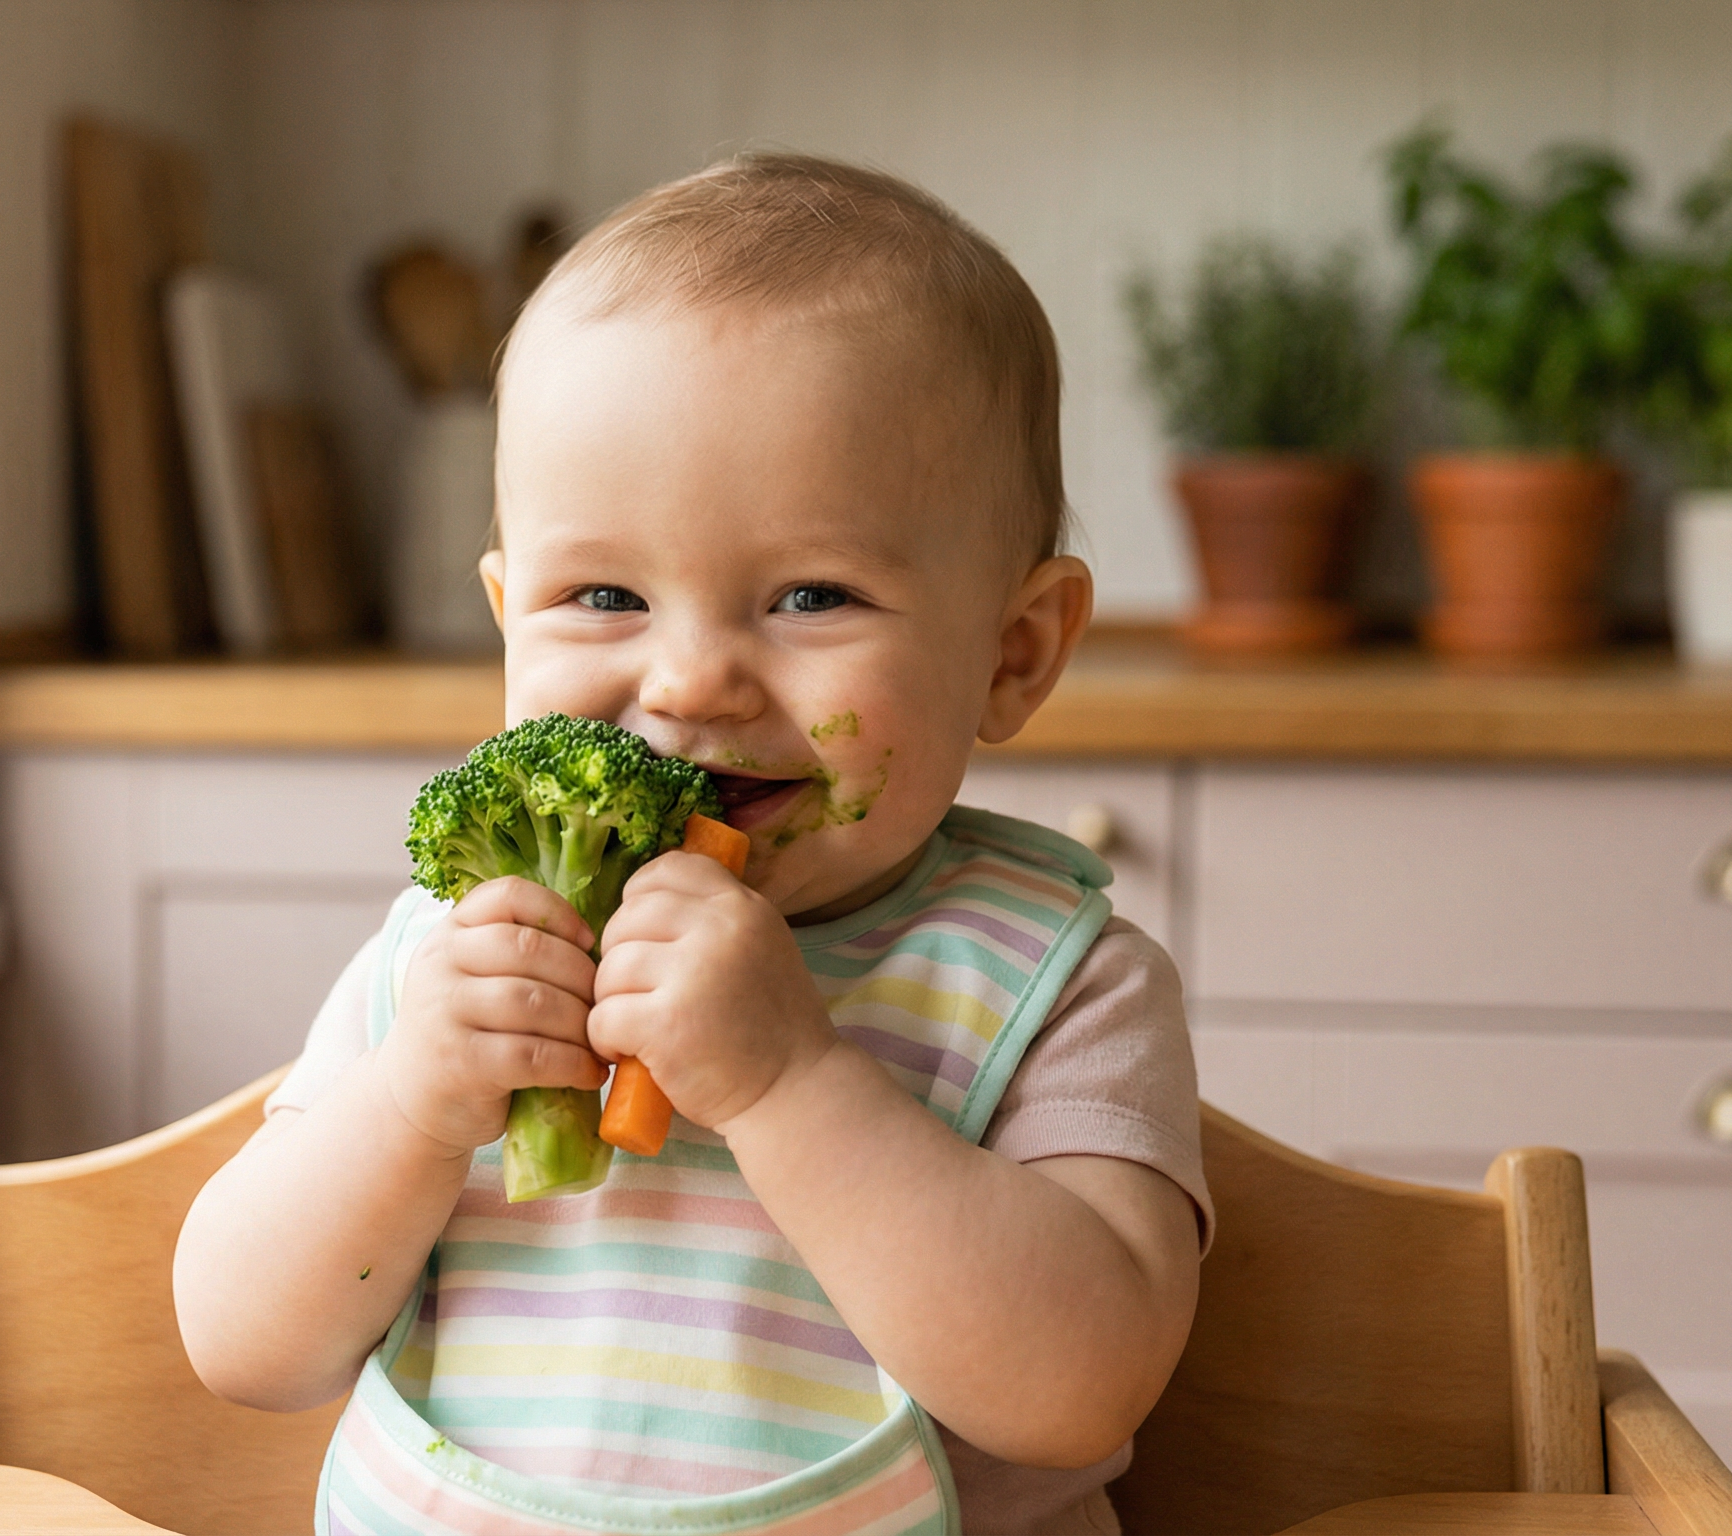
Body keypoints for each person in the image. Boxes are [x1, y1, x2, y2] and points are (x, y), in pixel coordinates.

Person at [172, 153, 1211, 1536]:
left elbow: (1079, 1388)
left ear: (1014, 654)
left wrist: (790, 1084)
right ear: (505, 615)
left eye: (809, 595)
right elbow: (244, 1347)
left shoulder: (1057, 982)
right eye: (603, 593)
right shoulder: (451, 949)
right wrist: (415, 1102)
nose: (690, 682)